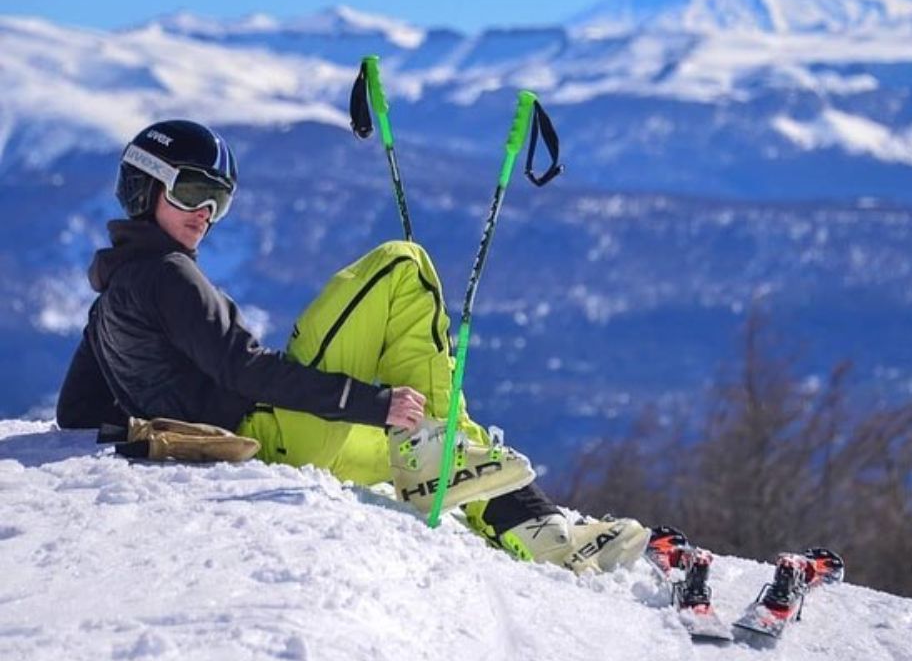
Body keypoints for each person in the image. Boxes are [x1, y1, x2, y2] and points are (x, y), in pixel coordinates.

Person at [57, 119, 649, 574]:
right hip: (279, 427)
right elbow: (243, 369)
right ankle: (472, 478)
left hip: (272, 447)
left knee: (431, 449)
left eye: (219, 200)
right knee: (402, 266)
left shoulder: (108, 300)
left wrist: (163, 424)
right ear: (144, 187)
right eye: (190, 192)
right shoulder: (168, 274)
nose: (206, 214)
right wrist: (372, 403)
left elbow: (77, 412)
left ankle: (537, 528)